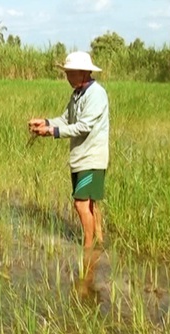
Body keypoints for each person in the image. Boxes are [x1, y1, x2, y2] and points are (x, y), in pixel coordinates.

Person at [28, 51, 109, 250]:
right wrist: (45, 122)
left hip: (91, 158)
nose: (67, 77)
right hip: (80, 157)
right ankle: (99, 241)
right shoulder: (77, 94)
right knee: (90, 203)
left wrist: (52, 131)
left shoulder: (96, 94)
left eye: (70, 73)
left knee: (81, 204)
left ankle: (88, 249)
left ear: (83, 72)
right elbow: (66, 119)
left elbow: (83, 126)